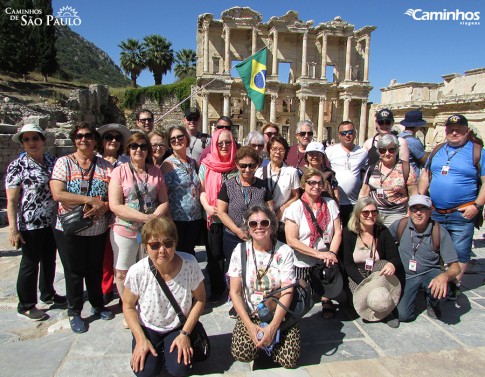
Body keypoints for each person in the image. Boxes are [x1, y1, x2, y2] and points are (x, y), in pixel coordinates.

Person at [50, 122, 114, 333]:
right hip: (70, 228)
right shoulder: (64, 163)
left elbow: (113, 196)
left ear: (95, 140)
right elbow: (58, 193)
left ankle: (97, 305)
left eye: (88, 135)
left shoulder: (106, 166)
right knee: (74, 271)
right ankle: (74, 311)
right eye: (79, 136)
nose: (83, 139)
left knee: (95, 269)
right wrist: (88, 199)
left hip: (97, 228)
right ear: (74, 139)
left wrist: (102, 206)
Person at [123, 217, 205, 377]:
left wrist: (185, 334)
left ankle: (168, 351)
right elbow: (128, 305)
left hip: (177, 326)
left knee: (179, 369)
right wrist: (140, 338)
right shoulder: (137, 271)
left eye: (168, 243)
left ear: (175, 243)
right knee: (144, 371)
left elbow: (200, 299)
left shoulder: (190, 264)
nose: (162, 250)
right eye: (155, 245)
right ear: (146, 247)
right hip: (149, 327)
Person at [418, 114, 485, 298]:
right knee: (433, 249)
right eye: (451, 129)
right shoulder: (438, 150)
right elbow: (426, 175)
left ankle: (454, 285)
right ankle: (436, 283)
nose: (454, 132)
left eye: (459, 130)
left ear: (467, 131)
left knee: (461, 251)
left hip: (463, 212)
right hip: (436, 211)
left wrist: (477, 207)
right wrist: (420, 200)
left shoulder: (477, 151)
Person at [228, 205, 300, 368]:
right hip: (253, 312)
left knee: (289, 360)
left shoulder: (285, 251)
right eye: (253, 224)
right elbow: (235, 292)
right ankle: (262, 338)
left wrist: (274, 326)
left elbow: (288, 291)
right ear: (248, 227)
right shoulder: (240, 251)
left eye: (264, 223)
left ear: (272, 226)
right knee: (242, 353)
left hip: (278, 311)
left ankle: (272, 338)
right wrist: (249, 325)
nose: (259, 227)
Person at [109, 132, 169, 327]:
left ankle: (145, 305)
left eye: (143, 147)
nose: (139, 150)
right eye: (134, 146)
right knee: (123, 271)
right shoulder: (119, 172)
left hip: (150, 230)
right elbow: (115, 205)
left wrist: (154, 218)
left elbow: (164, 200)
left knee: (149, 269)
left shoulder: (155, 172)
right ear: (128, 149)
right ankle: (129, 308)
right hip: (125, 229)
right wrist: (144, 217)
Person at [6, 124, 66, 321]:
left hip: (51, 220)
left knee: (49, 258)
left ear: (43, 140)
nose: (31, 142)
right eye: (27, 139)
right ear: (22, 143)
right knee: (30, 263)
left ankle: (48, 292)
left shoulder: (51, 161)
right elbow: (12, 200)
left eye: (35, 138)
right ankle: (26, 304)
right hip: (30, 222)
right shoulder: (18, 166)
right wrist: (13, 229)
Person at [388, 195, 461, 321]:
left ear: (430, 211)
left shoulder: (439, 231)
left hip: (430, 273)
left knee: (443, 290)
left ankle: (433, 303)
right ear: (409, 211)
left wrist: (444, 276)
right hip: (407, 275)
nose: (418, 213)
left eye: (423, 209)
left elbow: (455, 267)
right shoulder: (400, 225)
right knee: (403, 315)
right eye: (415, 209)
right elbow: (384, 243)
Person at [284, 168, 342, 319]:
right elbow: (291, 240)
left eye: (319, 183)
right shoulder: (295, 208)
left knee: (327, 286)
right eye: (312, 183)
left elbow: (337, 232)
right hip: (303, 259)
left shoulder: (330, 204)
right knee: (302, 297)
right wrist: (319, 254)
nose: (316, 186)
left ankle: (326, 298)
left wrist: (331, 254)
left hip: (326, 258)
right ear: (304, 184)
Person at [341, 197, 402, 327]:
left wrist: (391, 264)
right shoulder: (348, 233)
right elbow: (348, 265)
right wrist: (366, 284)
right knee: (358, 299)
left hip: (377, 273)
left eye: (374, 212)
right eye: (365, 212)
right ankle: (374, 305)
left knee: (383, 263)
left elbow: (394, 257)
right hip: (356, 274)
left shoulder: (382, 231)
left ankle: (385, 309)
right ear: (358, 214)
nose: (370, 215)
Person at [199, 128, 238, 303]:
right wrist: (207, 206)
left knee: (232, 256)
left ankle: (234, 290)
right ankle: (217, 288)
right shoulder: (206, 165)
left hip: (232, 219)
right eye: (220, 143)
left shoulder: (237, 165)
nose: (224, 146)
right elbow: (201, 190)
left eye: (227, 142)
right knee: (214, 255)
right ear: (214, 144)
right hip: (213, 217)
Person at [217, 146, 274, 264]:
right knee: (235, 271)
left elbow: (270, 211)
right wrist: (237, 231)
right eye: (243, 165)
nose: (247, 169)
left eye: (251, 165)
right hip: (233, 236)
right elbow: (221, 212)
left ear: (257, 165)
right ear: (237, 165)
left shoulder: (262, 186)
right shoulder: (228, 185)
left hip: (258, 237)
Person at [97, 123, 132, 304]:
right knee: (104, 255)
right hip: (99, 215)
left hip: (121, 216)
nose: (113, 141)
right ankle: (106, 288)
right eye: (109, 137)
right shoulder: (96, 161)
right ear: (102, 141)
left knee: (120, 255)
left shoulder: (126, 162)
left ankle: (124, 291)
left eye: (117, 138)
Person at [161, 125, 203, 255]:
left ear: (186, 138)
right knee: (177, 255)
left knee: (190, 254)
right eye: (173, 139)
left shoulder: (192, 162)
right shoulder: (168, 164)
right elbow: (163, 195)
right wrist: (168, 220)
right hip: (176, 220)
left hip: (194, 218)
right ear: (169, 143)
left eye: (180, 137)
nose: (177, 141)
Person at [360, 134, 418, 227]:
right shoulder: (372, 168)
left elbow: (414, 194)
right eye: (383, 150)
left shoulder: (406, 168)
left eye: (391, 149)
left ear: (397, 150)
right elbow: (364, 193)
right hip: (374, 213)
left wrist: (409, 214)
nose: (387, 153)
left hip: (397, 213)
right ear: (378, 151)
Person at [255, 135, 300, 242]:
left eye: (281, 149)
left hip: (282, 219)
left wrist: (282, 208)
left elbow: (296, 195)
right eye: (274, 149)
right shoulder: (260, 172)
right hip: (264, 218)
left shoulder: (291, 172)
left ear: (285, 152)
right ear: (269, 150)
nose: (277, 152)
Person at [326, 121, 368, 227]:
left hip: (354, 202)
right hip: (335, 201)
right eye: (344, 133)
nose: (347, 135)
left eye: (350, 132)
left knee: (352, 231)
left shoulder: (362, 152)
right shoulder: (330, 151)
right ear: (339, 135)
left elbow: (367, 172)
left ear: (355, 133)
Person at [398, 110, 429, 178]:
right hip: (412, 178)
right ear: (417, 125)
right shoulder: (413, 141)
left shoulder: (399, 136)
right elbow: (425, 161)